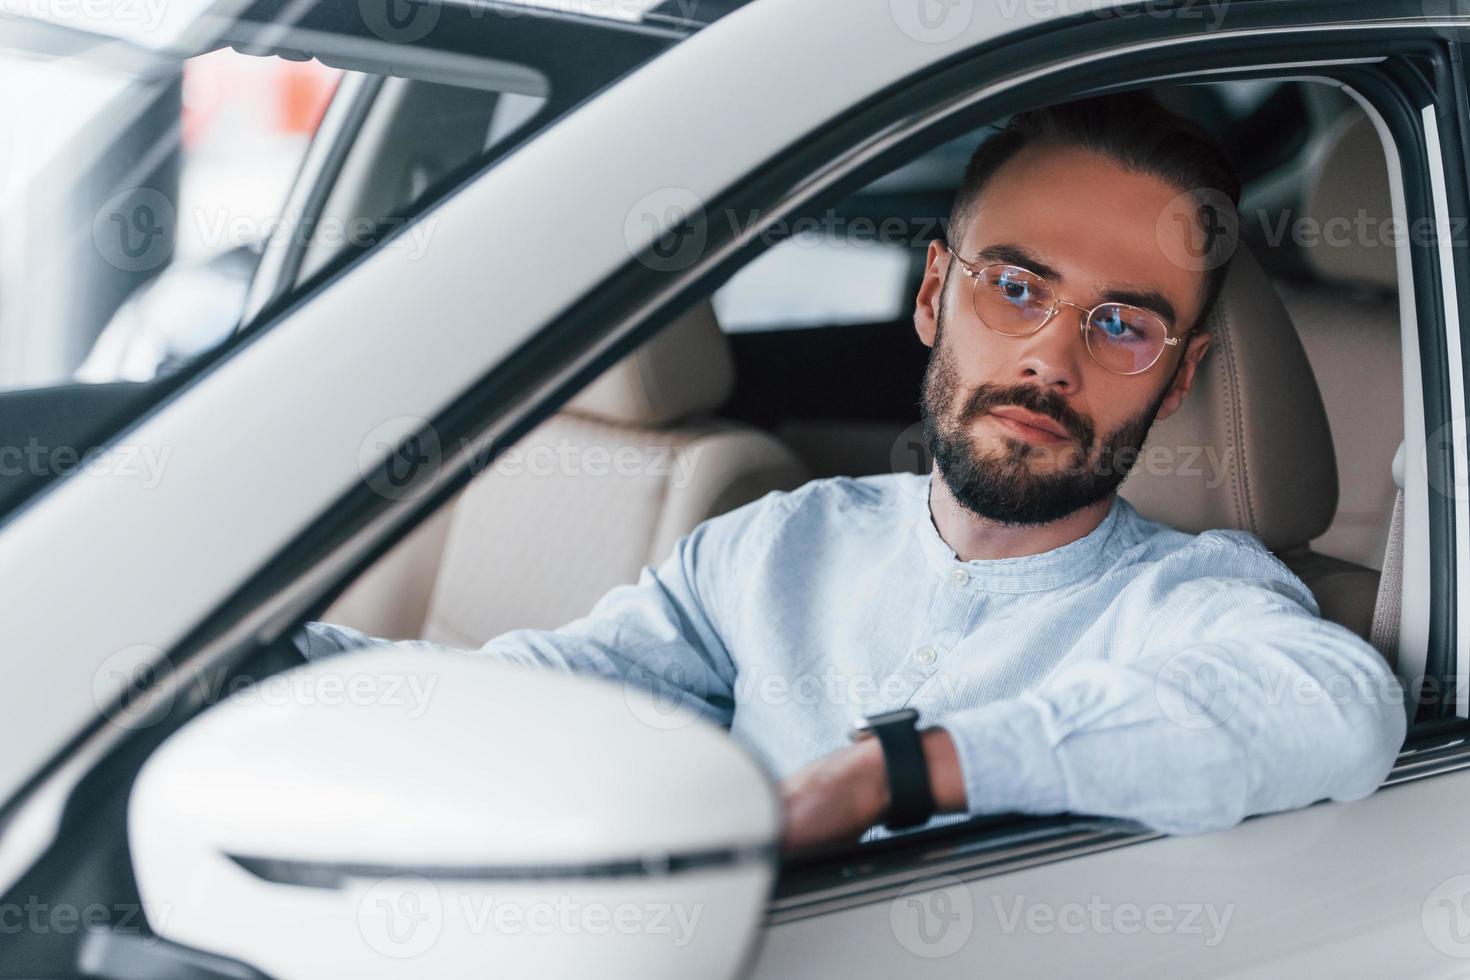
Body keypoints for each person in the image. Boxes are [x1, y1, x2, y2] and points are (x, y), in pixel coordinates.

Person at [300, 92, 1406, 853]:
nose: (1049, 358)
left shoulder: (1189, 598)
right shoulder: (780, 544)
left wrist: (900, 770)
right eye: (1013, 289)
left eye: (1121, 326)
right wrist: (272, 667)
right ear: (932, 295)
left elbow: (1340, 708)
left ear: (1176, 383)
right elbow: (531, 691)